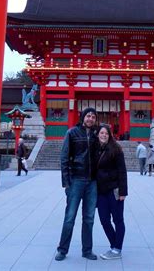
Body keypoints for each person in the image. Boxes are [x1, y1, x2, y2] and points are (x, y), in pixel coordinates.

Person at [55, 107, 99, 262]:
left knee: (89, 218)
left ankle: (87, 250)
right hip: (76, 180)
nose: (90, 119)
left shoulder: (96, 135)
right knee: (70, 217)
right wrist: (66, 183)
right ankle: (62, 249)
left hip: (92, 182)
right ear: (83, 117)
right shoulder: (72, 133)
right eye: (88, 116)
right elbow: (64, 158)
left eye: (93, 117)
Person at [96, 124, 128, 260]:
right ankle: (115, 245)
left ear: (110, 135)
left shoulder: (116, 149)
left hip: (114, 190)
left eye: (106, 133)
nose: (104, 135)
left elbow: (122, 171)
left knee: (118, 220)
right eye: (101, 133)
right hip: (100, 191)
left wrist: (123, 192)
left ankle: (117, 249)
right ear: (97, 134)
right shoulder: (94, 149)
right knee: (104, 220)